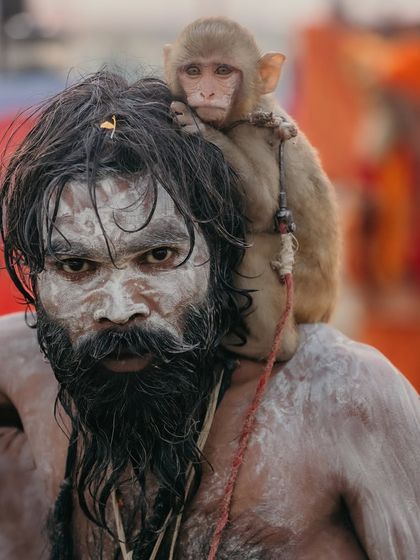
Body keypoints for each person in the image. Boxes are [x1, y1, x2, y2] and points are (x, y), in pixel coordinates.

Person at [0, 71, 419, 560]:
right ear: (37, 274)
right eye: (76, 266)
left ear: (223, 253)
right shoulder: (23, 368)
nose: (119, 308)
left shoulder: (342, 396)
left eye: (157, 257)